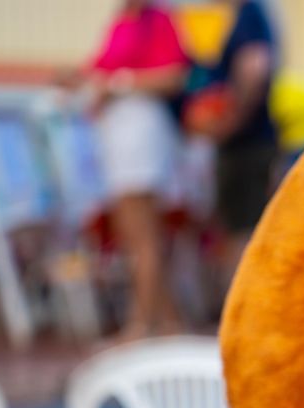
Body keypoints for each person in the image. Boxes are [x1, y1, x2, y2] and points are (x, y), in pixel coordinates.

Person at [77, 0, 189, 339]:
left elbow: (174, 76)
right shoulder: (122, 21)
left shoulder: (158, 19)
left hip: (140, 134)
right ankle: (169, 320)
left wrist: (118, 84)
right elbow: (98, 71)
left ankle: (140, 322)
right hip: (119, 135)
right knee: (133, 233)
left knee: (142, 233)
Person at [199, 0, 278, 297]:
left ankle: (245, 307)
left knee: (242, 231)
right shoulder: (251, 14)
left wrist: (231, 121)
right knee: (243, 228)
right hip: (250, 141)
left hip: (247, 144)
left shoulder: (249, 14)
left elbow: (254, 67)